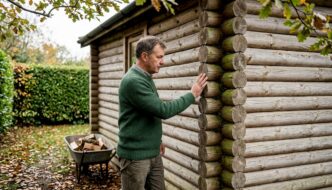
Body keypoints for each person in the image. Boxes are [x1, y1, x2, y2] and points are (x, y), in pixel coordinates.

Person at [117, 36, 208, 190]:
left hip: (152, 152)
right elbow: (162, 110)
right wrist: (192, 94)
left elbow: (148, 112)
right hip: (135, 157)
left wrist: (156, 140)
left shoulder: (145, 77)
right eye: (159, 57)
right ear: (145, 56)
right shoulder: (133, 81)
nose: (163, 61)